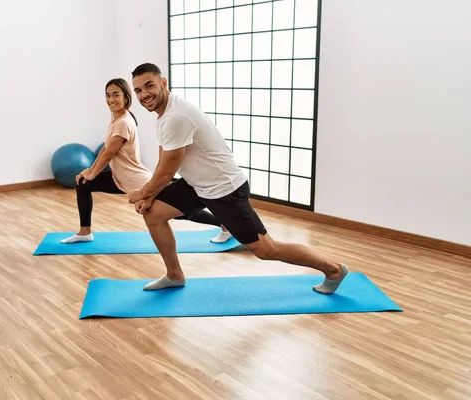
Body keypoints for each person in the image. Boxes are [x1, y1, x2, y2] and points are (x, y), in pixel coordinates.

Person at [127, 63, 350, 293]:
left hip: (225, 190)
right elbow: (164, 160)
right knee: (153, 214)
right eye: (138, 90)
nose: (144, 95)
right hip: (198, 184)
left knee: (266, 249)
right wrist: (150, 196)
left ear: (163, 83)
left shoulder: (176, 117)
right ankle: (174, 275)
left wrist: (142, 193)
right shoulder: (165, 115)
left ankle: (333, 269)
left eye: (149, 86)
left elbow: (166, 173)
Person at [60, 77, 232, 244]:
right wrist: (89, 172)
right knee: (83, 184)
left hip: (136, 180)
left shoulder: (123, 122)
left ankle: (225, 224)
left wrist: (91, 173)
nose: (111, 99)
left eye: (115, 94)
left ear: (126, 97)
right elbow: (105, 148)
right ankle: (85, 232)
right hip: (119, 178)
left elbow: (109, 154)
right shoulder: (116, 119)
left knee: (178, 212)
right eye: (108, 95)